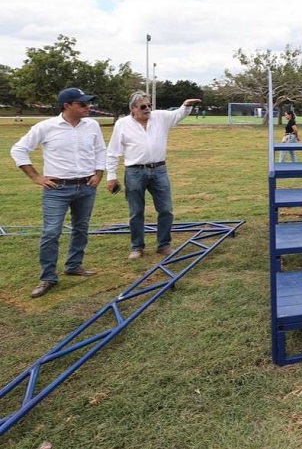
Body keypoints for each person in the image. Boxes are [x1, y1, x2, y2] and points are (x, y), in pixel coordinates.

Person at [10, 87, 107, 298]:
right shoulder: (46, 127)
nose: (88, 107)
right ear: (67, 105)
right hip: (57, 189)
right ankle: (48, 277)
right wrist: (36, 177)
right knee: (51, 232)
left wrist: (98, 174)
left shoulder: (92, 126)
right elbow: (18, 149)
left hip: (86, 186)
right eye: (82, 104)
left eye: (88, 103)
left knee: (81, 228)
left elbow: (100, 151)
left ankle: (74, 265)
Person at [105, 92, 201, 260]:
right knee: (136, 211)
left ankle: (163, 245)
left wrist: (186, 105)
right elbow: (113, 152)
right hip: (134, 172)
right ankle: (137, 247)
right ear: (133, 108)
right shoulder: (122, 124)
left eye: (149, 105)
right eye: (143, 106)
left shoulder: (160, 117)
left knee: (165, 209)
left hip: (159, 170)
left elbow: (178, 114)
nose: (148, 109)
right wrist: (111, 176)